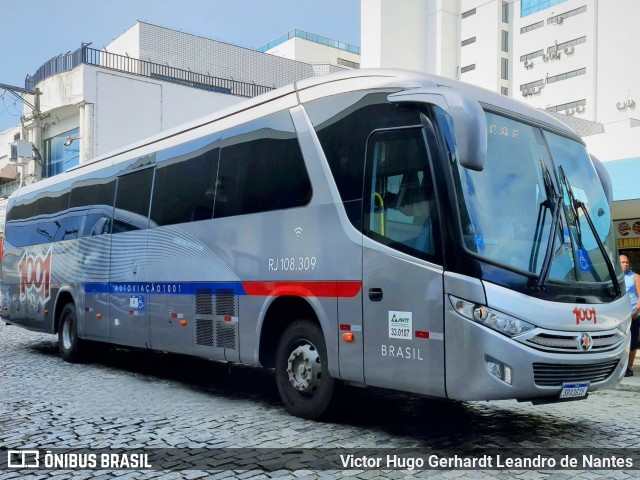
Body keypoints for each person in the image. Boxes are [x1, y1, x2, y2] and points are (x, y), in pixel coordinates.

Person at [620, 254, 640, 377]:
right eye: (623, 262)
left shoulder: (635, 277)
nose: (626, 264)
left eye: (627, 262)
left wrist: (636, 311)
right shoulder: (613, 278)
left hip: (632, 315)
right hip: (618, 317)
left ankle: (629, 368)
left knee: (632, 343)